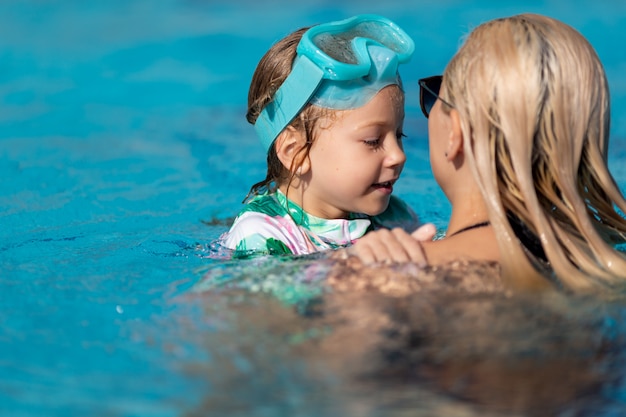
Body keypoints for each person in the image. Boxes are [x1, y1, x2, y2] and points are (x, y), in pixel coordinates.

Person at [347, 13, 626, 293]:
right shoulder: (602, 251)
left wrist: (359, 271)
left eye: (433, 96)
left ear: (456, 131)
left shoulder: (399, 272)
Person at [220, 15, 423, 257]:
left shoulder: (395, 218)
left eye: (399, 135)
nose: (398, 155)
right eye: (373, 141)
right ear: (296, 151)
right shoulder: (261, 237)